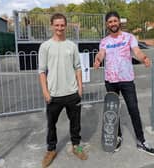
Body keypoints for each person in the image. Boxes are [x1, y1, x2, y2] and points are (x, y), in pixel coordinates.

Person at [94, 11, 154, 155]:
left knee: (133, 109)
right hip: (111, 80)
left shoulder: (129, 37)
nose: (113, 24)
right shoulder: (104, 41)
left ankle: (141, 141)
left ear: (119, 22)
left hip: (126, 80)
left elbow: (137, 51)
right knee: (113, 111)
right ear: (107, 24)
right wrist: (98, 58)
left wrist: (143, 58)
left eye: (115, 21)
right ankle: (116, 137)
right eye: (110, 22)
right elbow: (102, 53)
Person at [38, 13, 88, 168]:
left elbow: (78, 68)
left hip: (72, 93)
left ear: (66, 26)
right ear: (52, 26)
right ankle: (51, 150)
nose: (59, 28)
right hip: (53, 95)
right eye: (57, 25)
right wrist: (45, 92)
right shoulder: (45, 46)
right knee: (51, 125)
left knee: (76, 124)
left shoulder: (72, 46)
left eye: (62, 25)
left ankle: (76, 146)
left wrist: (80, 87)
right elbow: (41, 71)